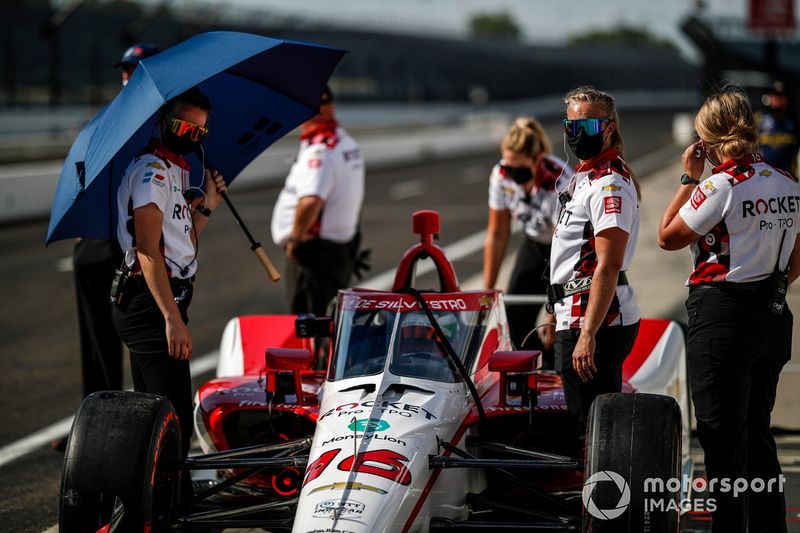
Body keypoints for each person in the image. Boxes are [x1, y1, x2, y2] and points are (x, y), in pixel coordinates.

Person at [658, 86, 799, 533]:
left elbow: (668, 236)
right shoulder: (787, 182)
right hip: (772, 316)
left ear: (708, 139)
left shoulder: (720, 184)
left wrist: (687, 179)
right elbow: (798, 259)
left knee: (721, 442)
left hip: (722, 317)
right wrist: (769, 289)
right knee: (758, 434)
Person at [53, 42, 160, 453]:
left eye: (137, 70)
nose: (127, 77)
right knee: (96, 339)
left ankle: (138, 431)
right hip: (96, 244)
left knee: (140, 340)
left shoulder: (163, 126)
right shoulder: (103, 121)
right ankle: (94, 425)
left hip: (136, 244)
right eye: (125, 70)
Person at [112, 86, 226, 458]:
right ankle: (169, 507)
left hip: (159, 298)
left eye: (199, 132)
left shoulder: (172, 173)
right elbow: (147, 250)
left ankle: (158, 502)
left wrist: (207, 204)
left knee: (156, 415)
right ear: (163, 121)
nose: (190, 137)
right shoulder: (153, 174)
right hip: (150, 304)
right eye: (183, 126)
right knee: (170, 417)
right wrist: (171, 318)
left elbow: (181, 244)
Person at [545, 86, 641, 455]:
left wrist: (588, 332)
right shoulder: (585, 176)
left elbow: (609, 263)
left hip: (598, 317)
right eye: (571, 125)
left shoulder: (609, 182)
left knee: (596, 432)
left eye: (586, 125)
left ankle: (601, 507)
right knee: (582, 425)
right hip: (575, 312)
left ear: (609, 127)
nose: (576, 133)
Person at [271, 86, 365, 317]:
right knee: (330, 321)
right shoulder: (344, 141)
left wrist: (295, 238)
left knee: (309, 325)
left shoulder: (320, 151)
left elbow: (311, 201)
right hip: (338, 250)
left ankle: (318, 354)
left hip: (315, 254)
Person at [482, 116, 571, 360]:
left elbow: (563, 244)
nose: (511, 174)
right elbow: (497, 234)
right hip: (533, 245)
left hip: (564, 250)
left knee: (559, 323)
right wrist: (486, 292)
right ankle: (526, 368)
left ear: (537, 160)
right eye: (508, 167)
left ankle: (555, 371)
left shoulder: (559, 180)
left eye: (519, 170)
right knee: (514, 316)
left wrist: (553, 311)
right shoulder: (501, 176)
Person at [756, 81, 799, 176]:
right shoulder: (760, 119)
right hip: (764, 175)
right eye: (774, 95)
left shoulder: (795, 120)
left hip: (788, 176)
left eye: (781, 96)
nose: (776, 99)